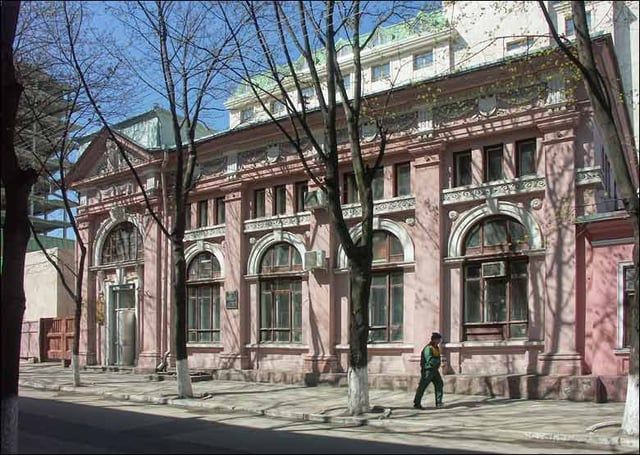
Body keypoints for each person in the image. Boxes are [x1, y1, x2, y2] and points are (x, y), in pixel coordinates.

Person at [413, 332, 444, 410]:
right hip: (428, 370)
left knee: (439, 384)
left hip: (434, 370)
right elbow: (429, 360)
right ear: (434, 339)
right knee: (422, 387)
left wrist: (439, 363)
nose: (439, 341)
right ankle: (417, 403)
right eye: (438, 339)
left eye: (440, 339)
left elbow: (437, 358)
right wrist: (437, 362)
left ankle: (439, 402)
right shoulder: (428, 348)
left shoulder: (436, 347)